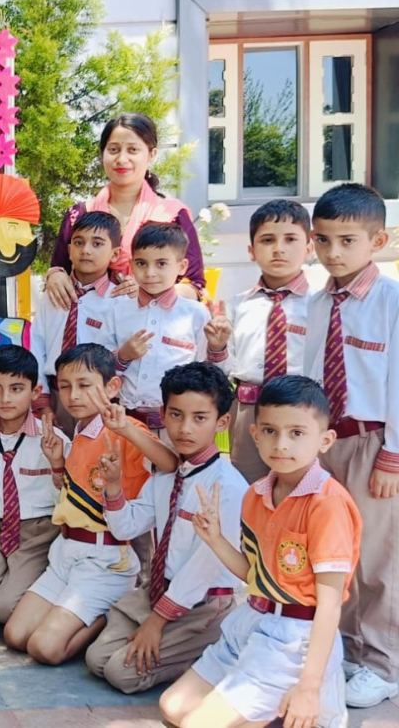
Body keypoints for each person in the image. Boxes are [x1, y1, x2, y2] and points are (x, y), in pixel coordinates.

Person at [159, 376, 359, 728]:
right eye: (269, 431)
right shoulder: (256, 494)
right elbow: (255, 575)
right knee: (173, 707)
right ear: (254, 434)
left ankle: (307, 702)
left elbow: (328, 606)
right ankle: (274, 711)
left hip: (295, 637)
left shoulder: (327, 504)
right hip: (252, 620)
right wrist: (215, 539)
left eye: (296, 433)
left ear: (325, 440)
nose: (281, 444)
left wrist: (308, 688)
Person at [4, 344, 175, 665]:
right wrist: (57, 464)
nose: (74, 395)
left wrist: (126, 429)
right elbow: (77, 494)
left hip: (105, 560)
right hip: (66, 553)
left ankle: (113, 611)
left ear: (112, 387)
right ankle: (83, 612)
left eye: (85, 385)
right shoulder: (81, 429)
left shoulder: (125, 430)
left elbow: (170, 463)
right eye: (65, 386)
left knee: (44, 648)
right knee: (15, 635)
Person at [85, 363, 248, 694]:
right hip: (161, 590)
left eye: (199, 418)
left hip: (203, 602)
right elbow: (127, 527)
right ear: (163, 414)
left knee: (120, 673)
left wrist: (156, 622)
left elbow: (204, 568)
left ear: (222, 422)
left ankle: (213, 650)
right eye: (176, 415)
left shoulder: (227, 487)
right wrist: (114, 487)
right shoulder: (168, 474)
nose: (185, 428)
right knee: (96, 659)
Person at [302, 182, 399, 708]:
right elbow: (312, 376)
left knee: (377, 560)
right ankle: (348, 649)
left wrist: (392, 456)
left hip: (372, 443)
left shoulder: (391, 302)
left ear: (377, 241)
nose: (333, 252)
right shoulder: (318, 303)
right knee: (334, 551)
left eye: (347, 240)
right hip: (327, 441)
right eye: (323, 240)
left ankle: (384, 664)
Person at [45, 113, 206, 313]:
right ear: (102, 154)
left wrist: (151, 291)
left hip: (151, 324)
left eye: (133, 150)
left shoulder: (172, 216)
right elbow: (60, 268)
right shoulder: (80, 215)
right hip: (90, 324)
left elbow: (195, 286)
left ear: (152, 155)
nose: (122, 159)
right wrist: (55, 275)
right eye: (113, 149)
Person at [0, 345, 69, 625]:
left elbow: (67, 501)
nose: (5, 398)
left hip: (38, 532)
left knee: (5, 608)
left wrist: (57, 465)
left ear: (35, 391)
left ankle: (34, 589)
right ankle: (7, 581)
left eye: (16, 389)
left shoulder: (54, 440)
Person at [206, 200, 312, 483]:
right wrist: (217, 347)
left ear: (309, 247)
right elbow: (225, 370)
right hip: (248, 410)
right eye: (267, 240)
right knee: (248, 484)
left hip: (301, 409)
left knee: (298, 484)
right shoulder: (238, 305)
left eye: (290, 239)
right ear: (252, 251)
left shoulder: (320, 305)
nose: (279, 248)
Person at [98, 222, 210, 443]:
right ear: (131, 265)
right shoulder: (117, 310)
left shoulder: (195, 314)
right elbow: (98, 366)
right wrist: (122, 357)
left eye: (161, 263)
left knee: (173, 466)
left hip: (176, 429)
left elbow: (207, 371)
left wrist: (218, 346)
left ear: (182, 266)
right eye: (141, 263)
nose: (150, 273)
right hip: (126, 423)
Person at [29, 210, 128, 429]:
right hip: (57, 394)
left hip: (99, 398)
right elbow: (37, 346)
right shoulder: (52, 295)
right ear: (69, 250)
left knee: (96, 448)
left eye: (97, 243)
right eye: (79, 242)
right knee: (56, 446)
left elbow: (123, 355)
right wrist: (42, 401)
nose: (86, 250)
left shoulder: (119, 301)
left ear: (115, 254)